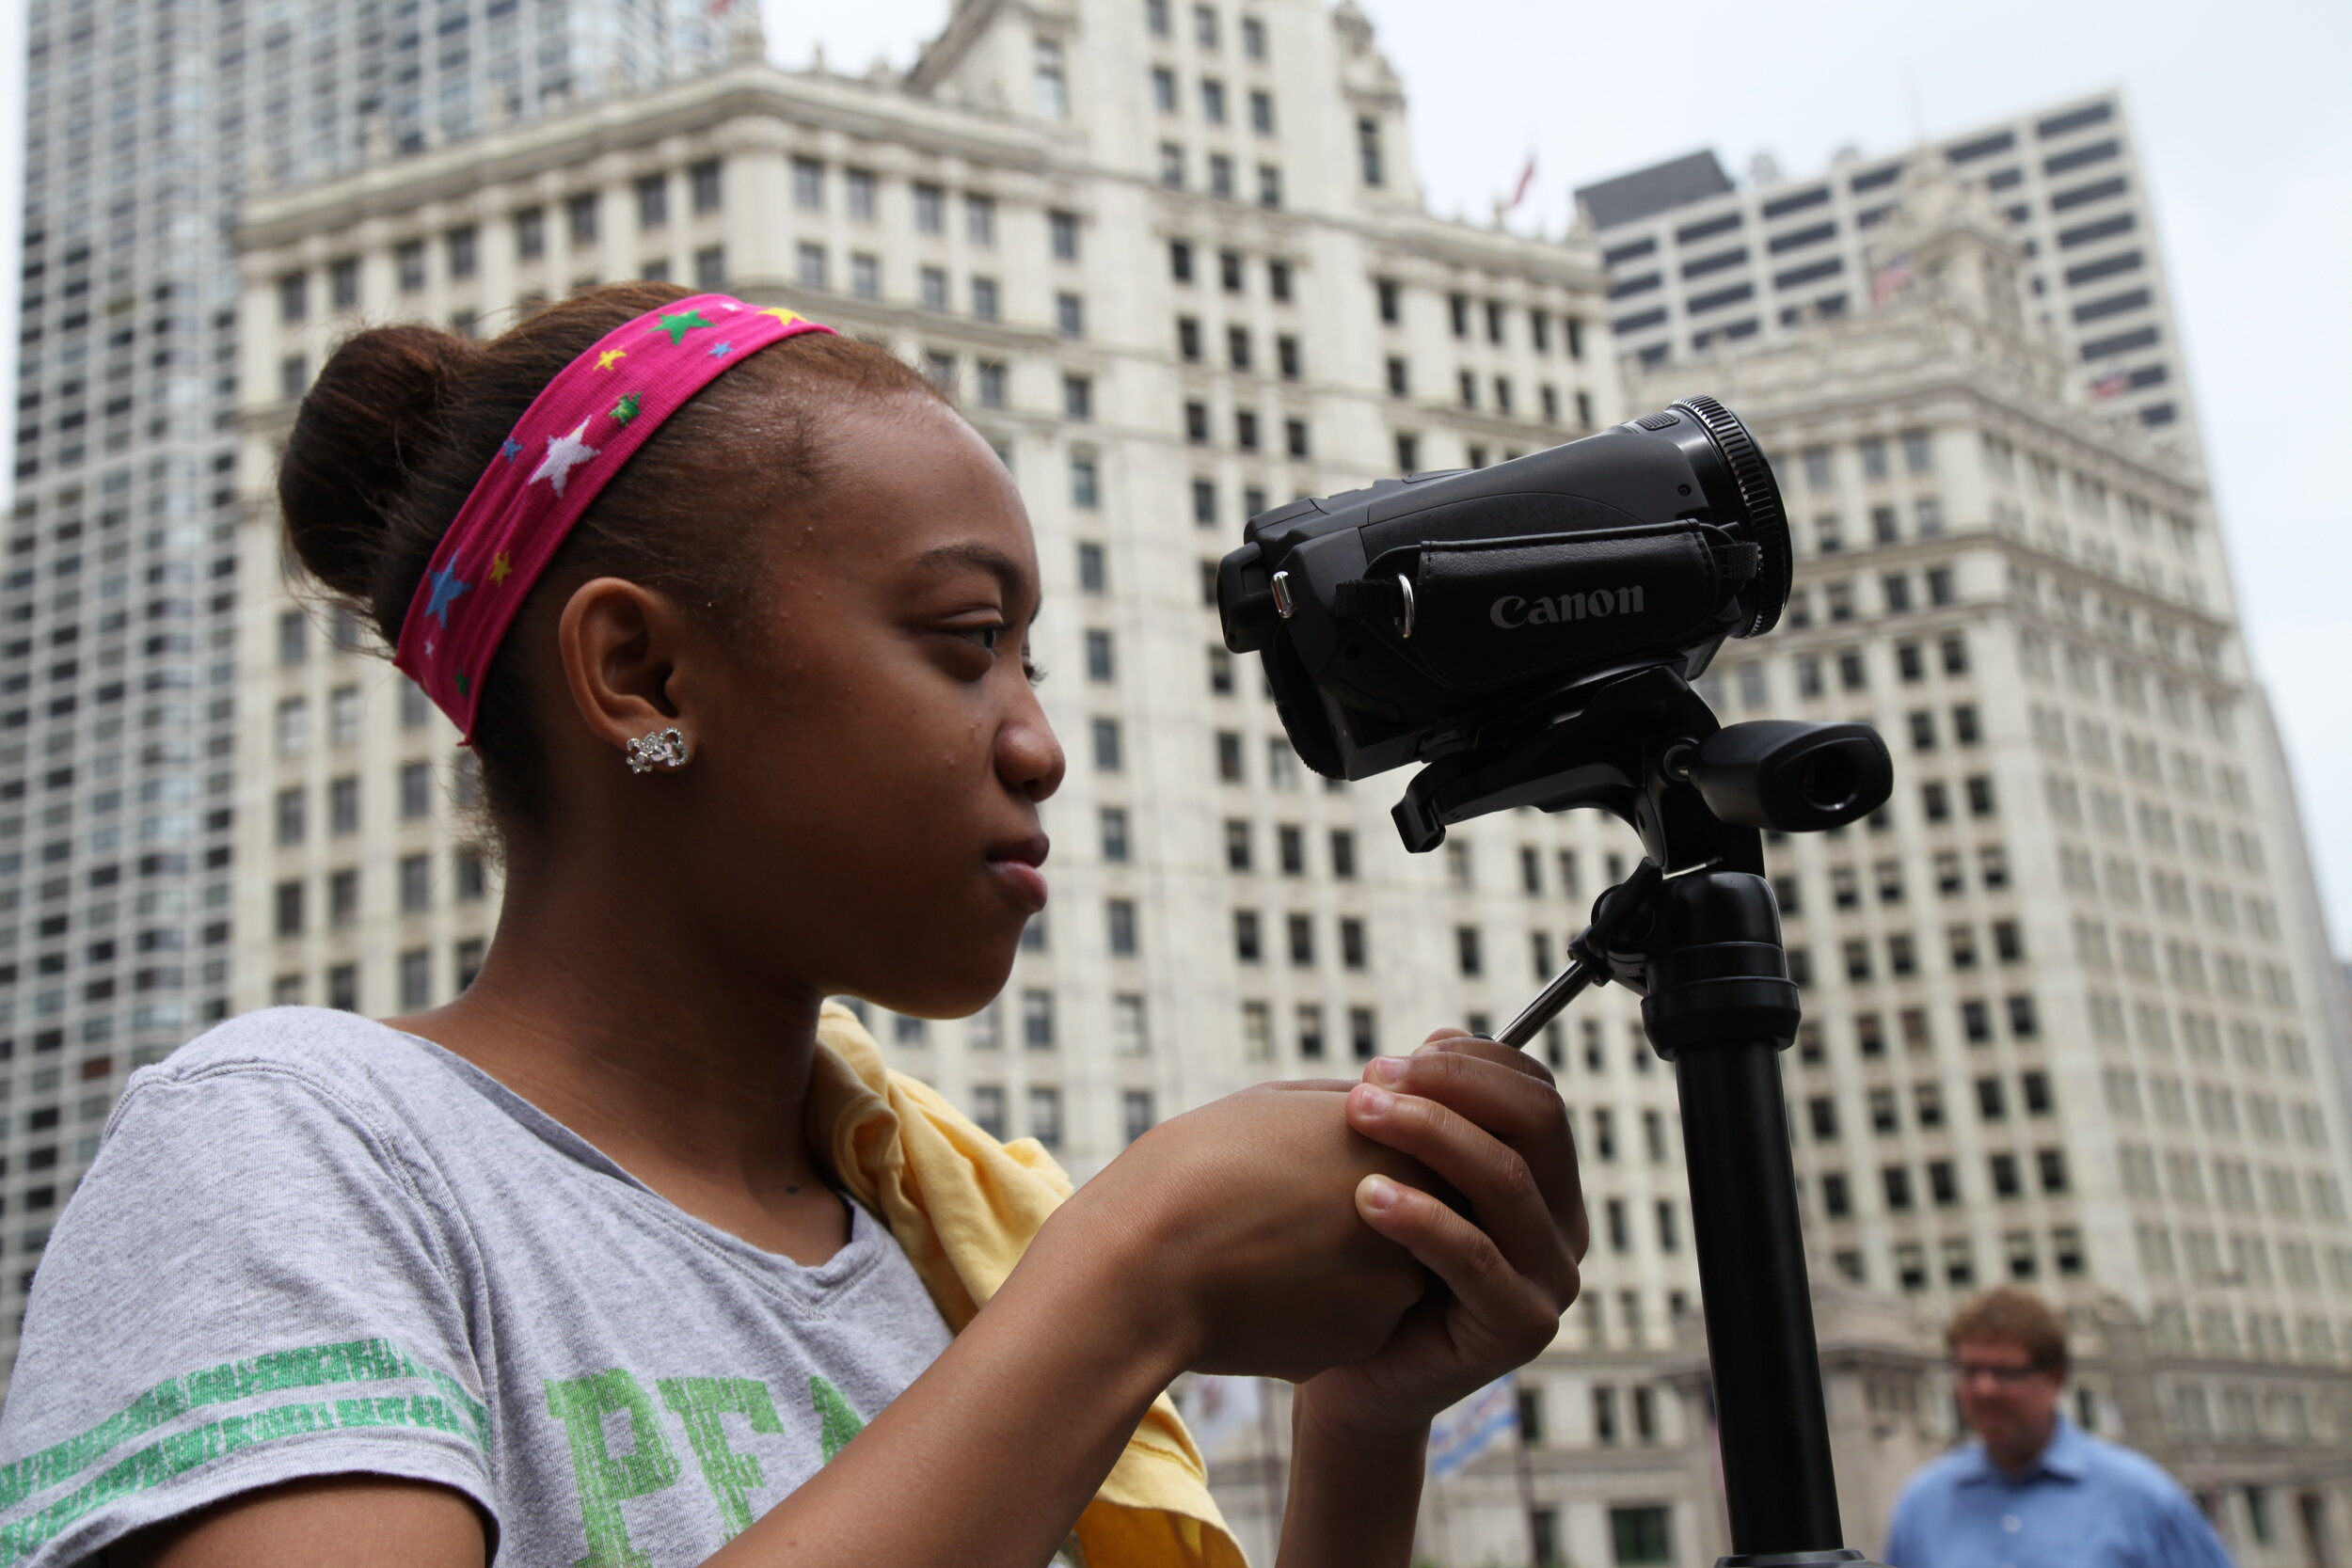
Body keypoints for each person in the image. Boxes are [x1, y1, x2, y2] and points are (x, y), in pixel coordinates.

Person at [0, 284, 1588, 1568]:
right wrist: (1132, 1280)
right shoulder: (295, 1146)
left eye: (1030, 658)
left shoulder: (944, 1248)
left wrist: (1363, 1434)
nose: (1039, 741)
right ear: (643, 676)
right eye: (969, 641)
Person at [1883, 1286, 2233, 1568]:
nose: (1983, 1389)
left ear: (2055, 1378)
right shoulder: (1922, 1505)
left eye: (2005, 1373)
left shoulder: (2141, 1496)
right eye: (1970, 1371)